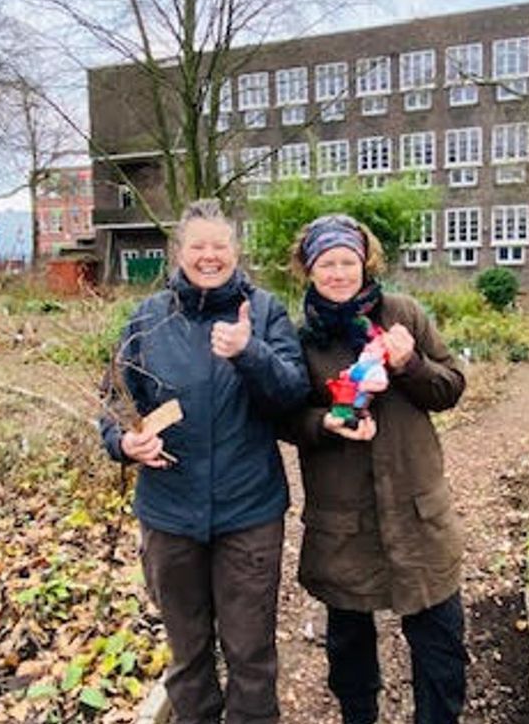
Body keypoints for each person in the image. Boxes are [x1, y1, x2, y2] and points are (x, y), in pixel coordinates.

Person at [100, 199, 309, 724]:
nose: (209, 256)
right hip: (170, 514)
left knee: (250, 655)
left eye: (220, 246)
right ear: (179, 252)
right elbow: (112, 404)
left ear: (236, 252)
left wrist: (249, 351)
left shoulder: (263, 313)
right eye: (198, 246)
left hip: (249, 512)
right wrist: (124, 442)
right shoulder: (147, 319)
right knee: (188, 654)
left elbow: (293, 396)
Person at [284, 213, 468, 724]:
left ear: (365, 263)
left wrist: (411, 365)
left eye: (348, 261)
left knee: (440, 640)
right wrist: (328, 422)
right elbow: (284, 418)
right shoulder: (303, 341)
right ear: (308, 269)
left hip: (416, 507)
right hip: (343, 515)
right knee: (349, 646)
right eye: (326, 264)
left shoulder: (403, 314)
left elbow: (450, 389)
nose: (338, 273)